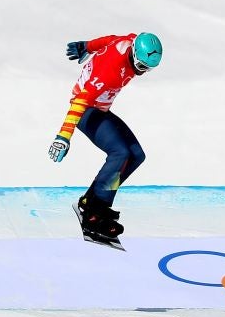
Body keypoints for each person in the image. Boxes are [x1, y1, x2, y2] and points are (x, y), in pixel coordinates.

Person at [49, 32, 163, 238]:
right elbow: (80, 100)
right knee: (120, 153)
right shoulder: (109, 70)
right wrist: (64, 136)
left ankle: (91, 200)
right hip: (86, 111)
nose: (144, 72)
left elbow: (110, 39)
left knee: (136, 155)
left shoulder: (131, 42)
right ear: (135, 55)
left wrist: (88, 45)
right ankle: (93, 214)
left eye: (149, 68)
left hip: (99, 109)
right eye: (142, 67)